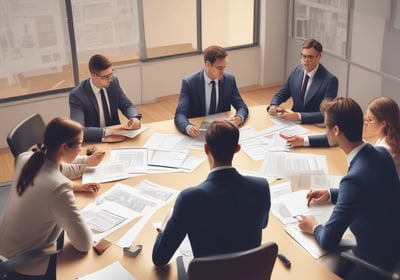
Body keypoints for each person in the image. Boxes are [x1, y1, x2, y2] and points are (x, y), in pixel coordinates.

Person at [297, 97, 400, 280]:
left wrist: (314, 227)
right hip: (393, 247)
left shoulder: (354, 180)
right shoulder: (381, 154)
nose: (325, 129)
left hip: (374, 262)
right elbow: (369, 192)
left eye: (326, 125)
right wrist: (331, 194)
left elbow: (328, 240)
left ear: (336, 130)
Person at [152, 120, 270, 266]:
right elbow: (262, 224)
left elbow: (159, 259)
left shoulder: (189, 199)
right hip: (249, 271)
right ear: (237, 149)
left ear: (206, 148)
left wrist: (165, 225)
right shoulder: (261, 187)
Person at [0, 117, 93, 279]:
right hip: (25, 263)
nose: (81, 149)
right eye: (80, 144)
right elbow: (84, 244)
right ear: (64, 147)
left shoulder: (25, 158)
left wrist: (86, 162)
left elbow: (58, 168)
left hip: (7, 242)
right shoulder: (59, 188)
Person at [281, 96, 400, 174]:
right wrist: (303, 140)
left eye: (370, 119)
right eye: (365, 117)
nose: (365, 122)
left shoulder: (385, 149)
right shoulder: (388, 139)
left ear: (384, 123)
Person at [174, 45, 249, 137]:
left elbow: (242, 106)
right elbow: (180, 114)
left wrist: (239, 118)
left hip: (221, 131)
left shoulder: (230, 80)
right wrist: (188, 127)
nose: (223, 71)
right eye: (219, 68)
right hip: (199, 130)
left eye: (225, 67)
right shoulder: (190, 83)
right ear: (208, 64)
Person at [69, 54, 142, 142]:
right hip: (95, 140)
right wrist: (108, 133)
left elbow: (127, 105)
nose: (110, 79)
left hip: (118, 137)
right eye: (105, 77)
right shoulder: (77, 95)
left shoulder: (113, 82)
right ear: (93, 75)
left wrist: (134, 117)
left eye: (111, 74)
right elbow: (78, 129)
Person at [267, 38, 338, 124]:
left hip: (314, 124)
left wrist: (298, 116)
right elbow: (282, 93)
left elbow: (326, 113)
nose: (306, 60)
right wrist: (274, 105)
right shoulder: (297, 70)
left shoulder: (330, 81)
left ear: (319, 57)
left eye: (310, 57)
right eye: (304, 56)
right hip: (292, 122)